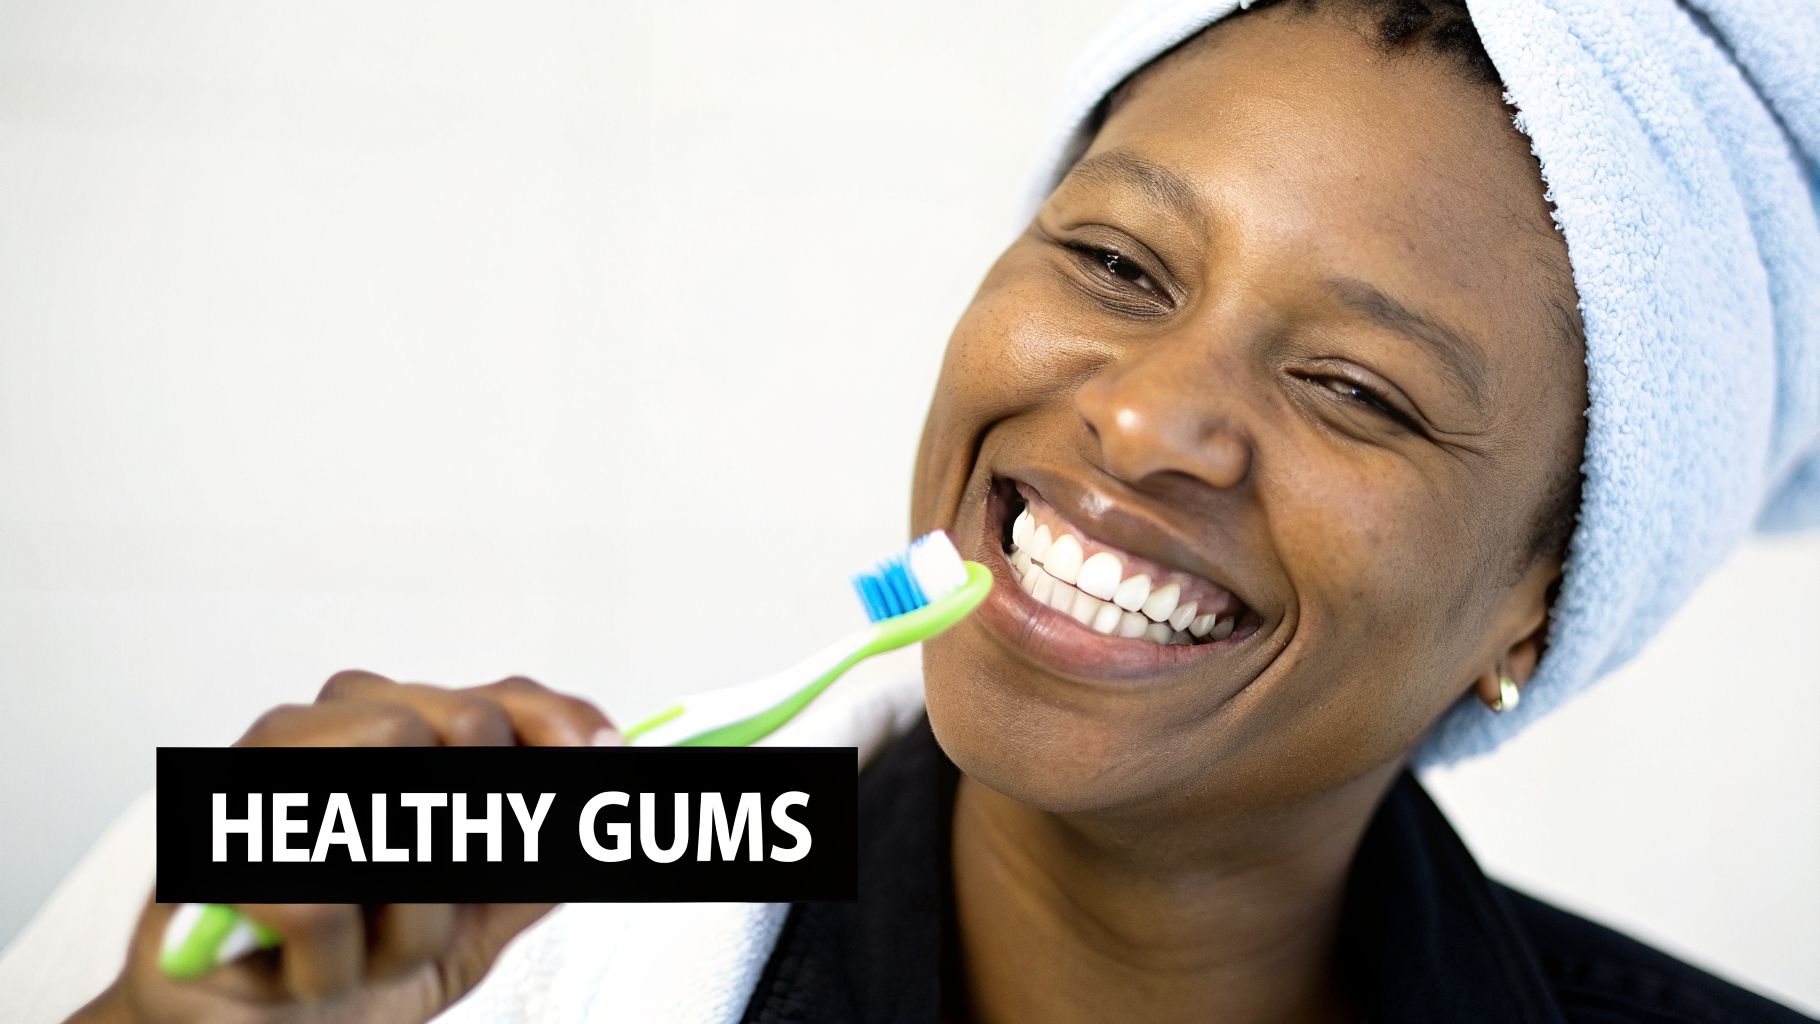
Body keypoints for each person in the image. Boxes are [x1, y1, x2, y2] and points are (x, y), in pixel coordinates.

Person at [24, 0, 1820, 1021]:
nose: (1147, 418)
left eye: (1356, 387)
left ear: (1541, 597)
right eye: (1116, 262)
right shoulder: (428, 908)